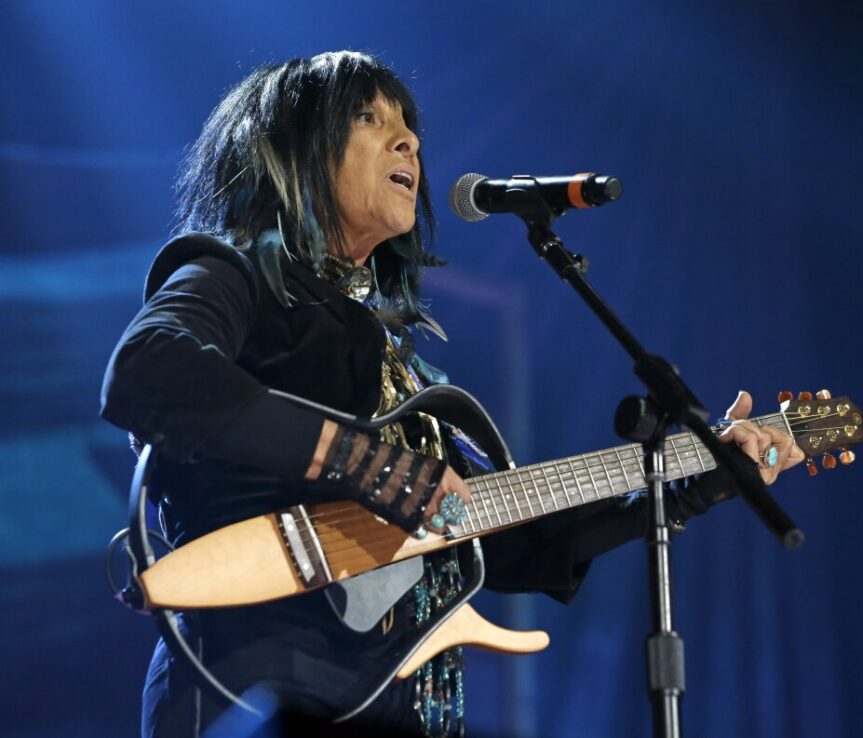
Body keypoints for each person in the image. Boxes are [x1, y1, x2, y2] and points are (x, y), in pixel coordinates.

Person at [100, 50, 803, 738]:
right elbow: (151, 369)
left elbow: (517, 538)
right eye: (369, 118)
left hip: (400, 701)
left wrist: (693, 482)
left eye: (409, 124)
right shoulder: (236, 273)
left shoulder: (405, 377)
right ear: (295, 146)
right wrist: (367, 464)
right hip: (254, 682)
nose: (407, 138)